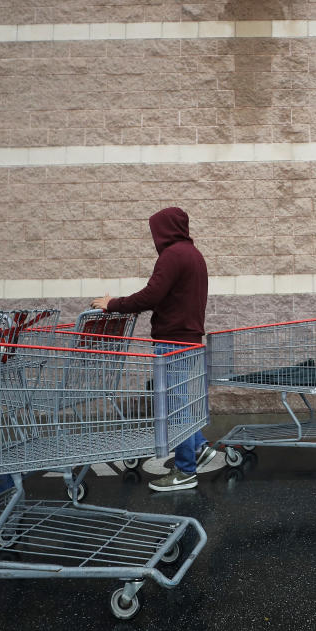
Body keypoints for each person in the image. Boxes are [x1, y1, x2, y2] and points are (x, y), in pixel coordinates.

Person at [90, 207, 214, 492]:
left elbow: (152, 294)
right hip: (189, 338)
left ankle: (185, 471)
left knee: (175, 406)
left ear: (165, 229)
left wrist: (114, 303)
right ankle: (199, 448)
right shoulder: (194, 255)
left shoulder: (172, 256)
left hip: (172, 340)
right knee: (179, 400)